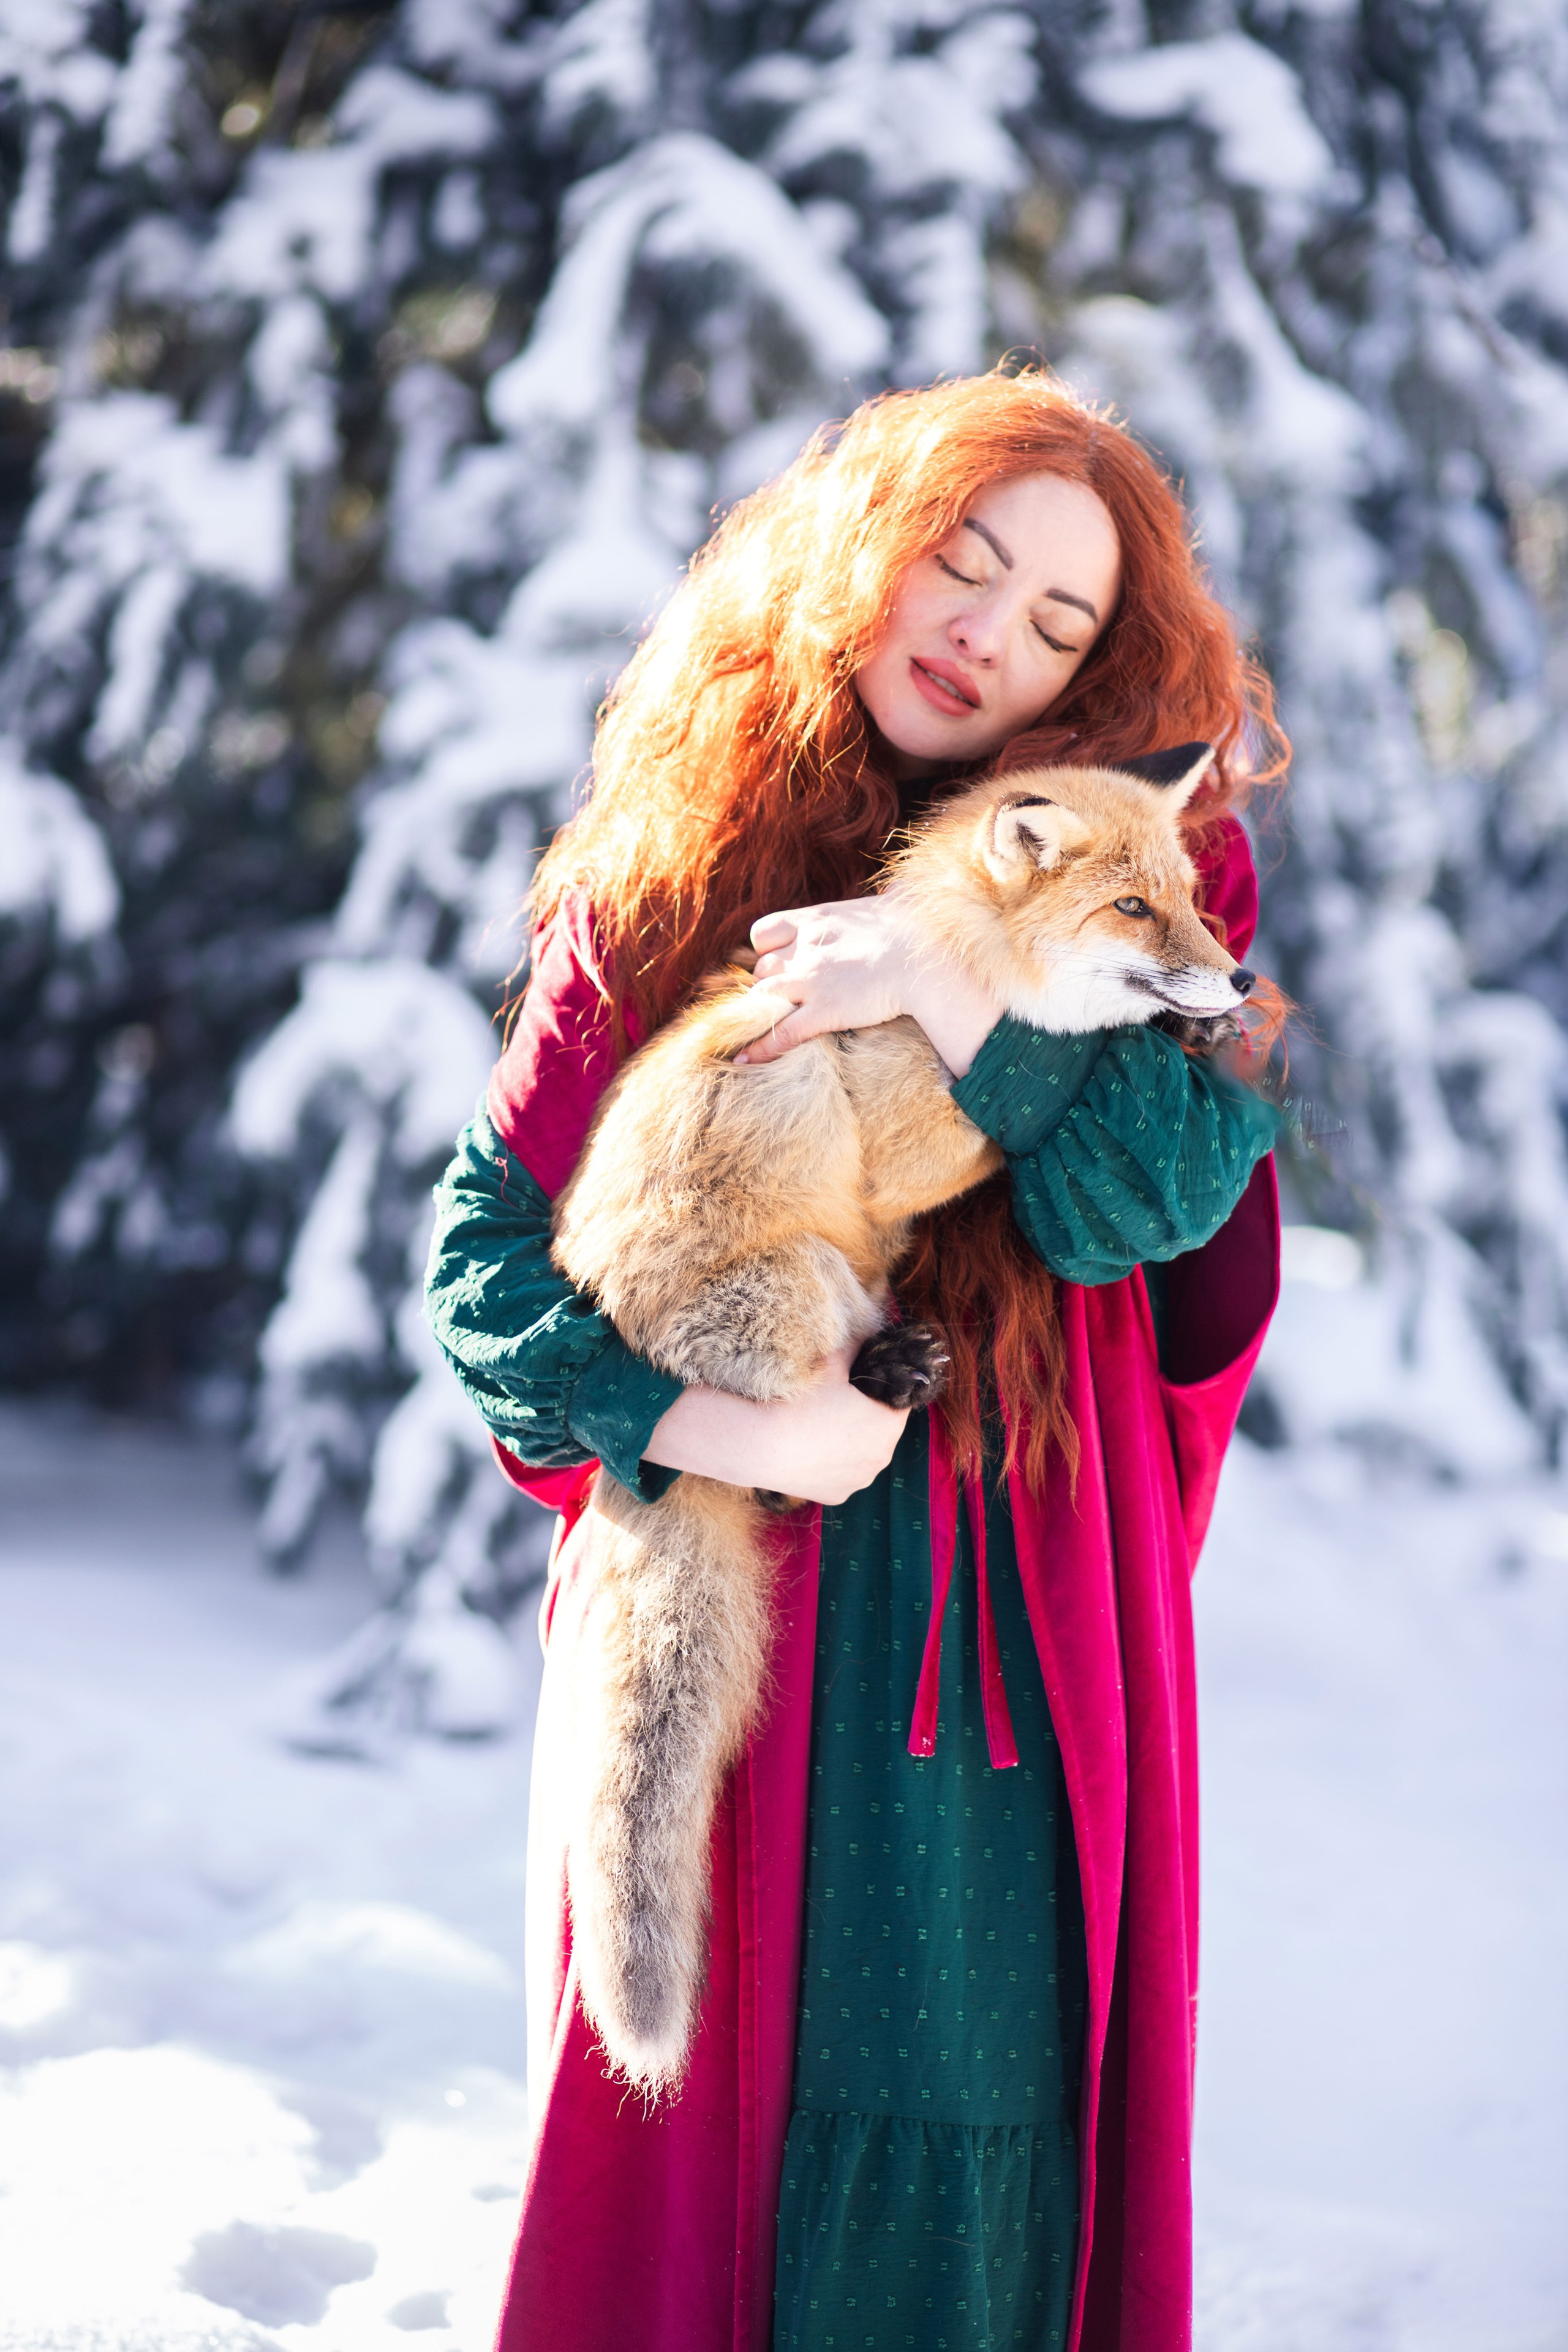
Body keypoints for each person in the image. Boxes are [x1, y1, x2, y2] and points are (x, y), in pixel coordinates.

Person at [424, 370, 1284, 2352]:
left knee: (972, 2153)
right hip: (724, 1571)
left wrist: (937, 988)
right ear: (867, 549)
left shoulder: (1163, 865)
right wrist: (702, 1418)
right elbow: (486, 1253)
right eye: (960, 559)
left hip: (1005, 1629)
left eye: (1058, 620)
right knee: (690, 2147)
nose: (985, 629)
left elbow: (1140, 1198)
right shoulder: (674, 859)